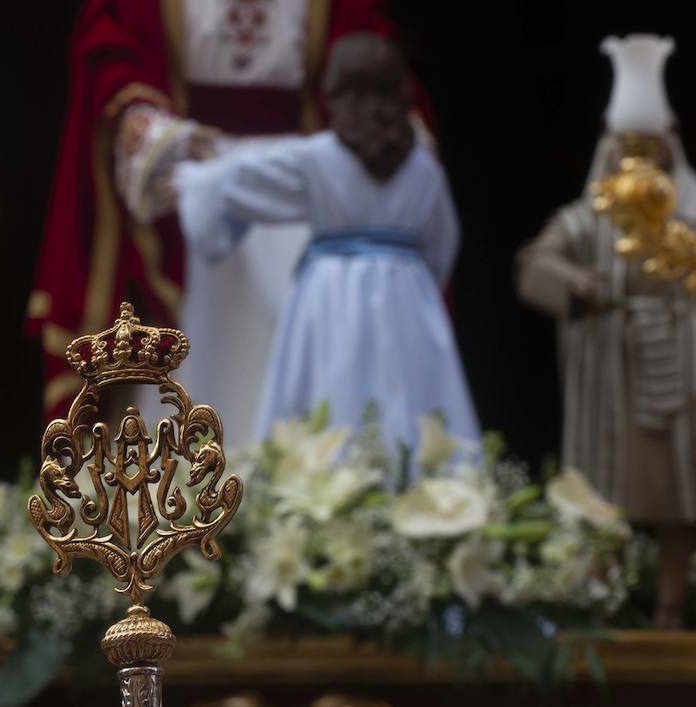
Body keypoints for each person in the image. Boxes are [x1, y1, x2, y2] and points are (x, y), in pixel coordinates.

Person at [29, 0, 429, 441]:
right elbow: (109, 62)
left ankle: (307, 506)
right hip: (192, 188)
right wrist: (154, 134)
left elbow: (380, 77)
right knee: (187, 368)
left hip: (298, 196)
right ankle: (182, 506)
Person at [174, 33, 477, 454]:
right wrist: (411, 283)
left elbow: (236, 182)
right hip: (408, 295)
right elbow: (443, 245)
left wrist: (190, 179)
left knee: (331, 386)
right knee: (410, 392)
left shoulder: (316, 158)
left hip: (331, 294)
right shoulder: (425, 168)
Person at [515, 129, 696, 627]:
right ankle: (600, 601)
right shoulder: (585, 221)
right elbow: (534, 263)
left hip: (680, 369)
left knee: (677, 493)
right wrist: (571, 280)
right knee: (603, 491)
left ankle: (671, 607)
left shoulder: (691, 222)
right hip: (608, 373)